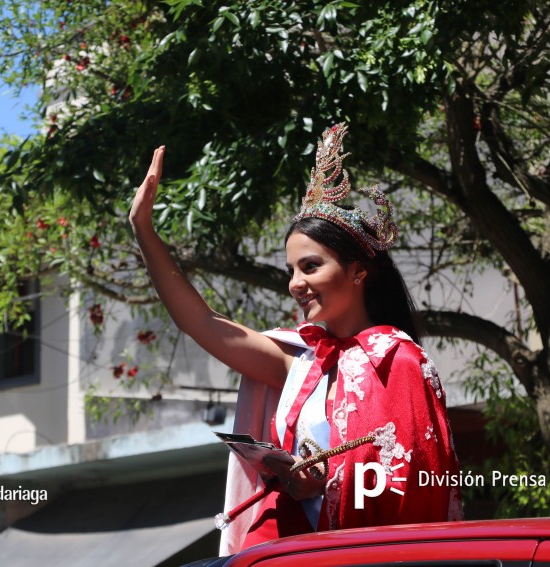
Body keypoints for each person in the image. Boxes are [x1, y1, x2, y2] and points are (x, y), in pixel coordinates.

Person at [129, 123, 462, 553]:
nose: (295, 284)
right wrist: (143, 229)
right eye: (291, 271)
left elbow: (415, 485)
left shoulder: (397, 360)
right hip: (286, 549)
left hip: (354, 559)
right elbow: (202, 323)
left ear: (358, 270)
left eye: (310, 267)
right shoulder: (302, 362)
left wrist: (325, 481)